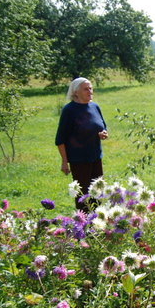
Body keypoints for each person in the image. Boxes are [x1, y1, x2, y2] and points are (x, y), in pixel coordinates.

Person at [55, 77, 108, 211]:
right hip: (79, 160)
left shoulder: (94, 106)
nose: (90, 91)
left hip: (96, 157)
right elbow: (60, 139)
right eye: (86, 89)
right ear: (76, 92)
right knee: (82, 196)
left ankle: (97, 224)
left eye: (91, 88)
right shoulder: (69, 110)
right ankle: (83, 226)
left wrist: (103, 133)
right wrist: (64, 161)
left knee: (98, 191)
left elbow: (102, 127)